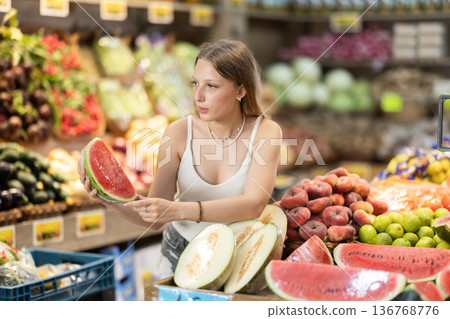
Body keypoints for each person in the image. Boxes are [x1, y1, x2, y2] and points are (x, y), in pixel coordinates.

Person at [78, 39, 282, 277]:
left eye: (212, 86)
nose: (198, 96)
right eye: (195, 83)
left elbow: (254, 204)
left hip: (241, 259)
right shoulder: (177, 133)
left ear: (240, 89)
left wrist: (180, 210)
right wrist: (108, 199)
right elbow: (154, 219)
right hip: (179, 256)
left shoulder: (266, 132)